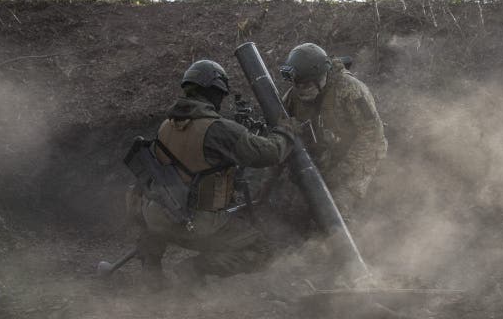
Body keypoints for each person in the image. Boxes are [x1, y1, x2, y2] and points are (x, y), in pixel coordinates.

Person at [126, 60, 294, 290]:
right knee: (262, 249)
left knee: (158, 198)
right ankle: (195, 269)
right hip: (197, 226)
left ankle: (151, 270)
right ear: (216, 92)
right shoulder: (219, 129)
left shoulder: (166, 126)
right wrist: (286, 132)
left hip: (160, 218)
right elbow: (270, 154)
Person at [279, 43, 387, 220]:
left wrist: (342, 171)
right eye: (297, 84)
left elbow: (372, 134)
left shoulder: (350, 90)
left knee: (335, 209)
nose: (301, 90)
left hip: (360, 155)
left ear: (321, 77)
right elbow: (279, 129)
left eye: (306, 84)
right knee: (295, 208)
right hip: (327, 155)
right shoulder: (293, 97)